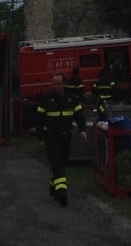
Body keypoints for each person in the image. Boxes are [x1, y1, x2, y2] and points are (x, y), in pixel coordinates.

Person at [36, 72, 88, 207]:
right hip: (51, 137)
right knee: (57, 163)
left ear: (64, 84)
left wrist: (82, 129)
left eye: (58, 84)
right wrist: (40, 138)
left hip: (66, 136)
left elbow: (79, 115)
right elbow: (39, 120)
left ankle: (53, 184)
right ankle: (62, 193)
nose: (55, 86)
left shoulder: (72, 98)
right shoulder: (46, 98)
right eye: (53, 83)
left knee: (63, 163)